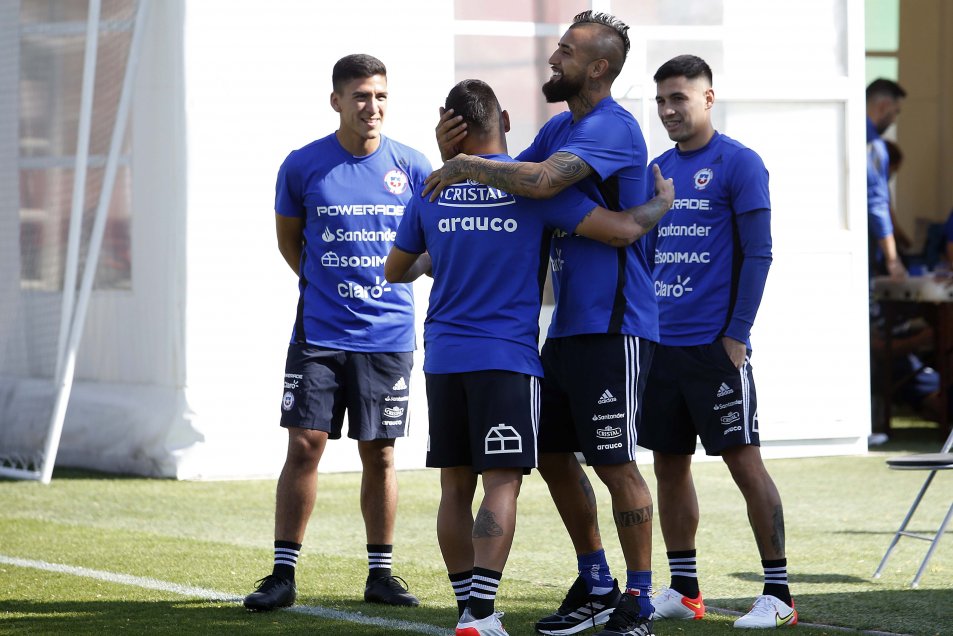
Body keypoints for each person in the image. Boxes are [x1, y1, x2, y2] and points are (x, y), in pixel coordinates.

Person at [386, 78, 673, 636]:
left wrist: (446, 241)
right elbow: (618, 229)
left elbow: (397, 269)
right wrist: (662, 202)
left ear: (454, 129)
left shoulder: (431, 188)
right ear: (509, 121)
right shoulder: (531, 192)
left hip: (444, 355)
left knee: (454, 487)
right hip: (510, 358)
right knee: (503, 483)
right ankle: (485, 613)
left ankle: (473, 608)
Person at [242, 53, 431, 612]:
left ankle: (381, 573)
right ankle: (282, 574)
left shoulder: (414, 166)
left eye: (380, 96)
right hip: (320, 332)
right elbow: (289, 243)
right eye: (360, 96)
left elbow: (425, 246)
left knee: (381, 454)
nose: (372, 107)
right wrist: (324, 284)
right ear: (337, 101)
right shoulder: (303, 166)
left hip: (388, 335)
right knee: (305, 444)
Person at [635, 54, 795, 629]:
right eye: (661, 101)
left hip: (715, 347)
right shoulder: (655, 169)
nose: (669, 110)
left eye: (679, 98)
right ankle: (684, 589)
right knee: (668, 466)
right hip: (661, 347)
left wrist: (738, 334)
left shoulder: (740, 163)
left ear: (708, 99)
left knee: (744, 464)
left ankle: (778, 594)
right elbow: (646, 254)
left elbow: (760, 253)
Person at [867, 78, 907, 280]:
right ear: (883, 106)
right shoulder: (873, 144)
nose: (893, 120)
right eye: (895, 112)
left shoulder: (844, 129)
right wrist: (893, 259)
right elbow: (876, 203)